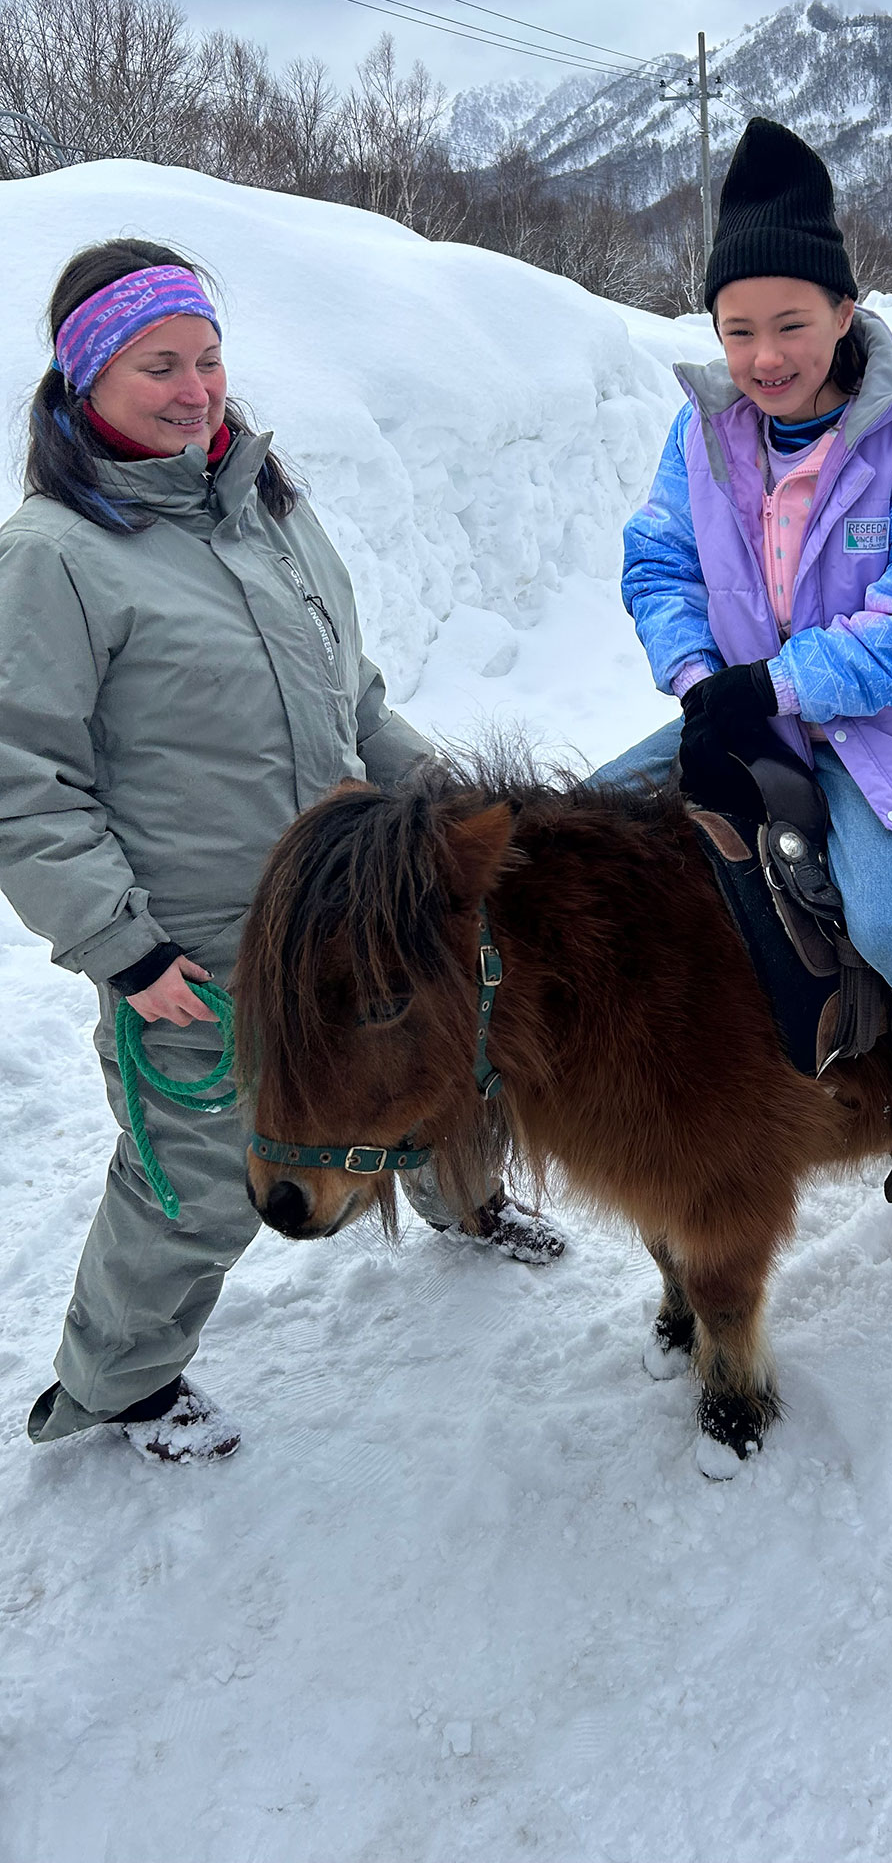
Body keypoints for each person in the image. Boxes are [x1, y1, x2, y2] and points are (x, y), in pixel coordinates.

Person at [3, 240, 561, 1464]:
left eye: (208, 358)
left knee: (429, 1062)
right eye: (159, 364)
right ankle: (119, 1385)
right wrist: (123, 945)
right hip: (202, 948)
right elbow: (23, 785)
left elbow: (351, 697)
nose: (197, 388)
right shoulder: (55, 557)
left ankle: (460, 1202)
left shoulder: (267, 509)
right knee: (196, 1179)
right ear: (86, 376)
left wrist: (458, 802)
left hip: (356, 911)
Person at [597, 119, 892, 1158]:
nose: (763, 357)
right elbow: (658, 561)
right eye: (737, 328)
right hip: (748, 703)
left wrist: (776, 686)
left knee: (886, 918)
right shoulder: (704, 435)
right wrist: (703, 680)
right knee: (580, 823)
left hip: (874, 732)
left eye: (791, 324)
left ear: (845, 311)